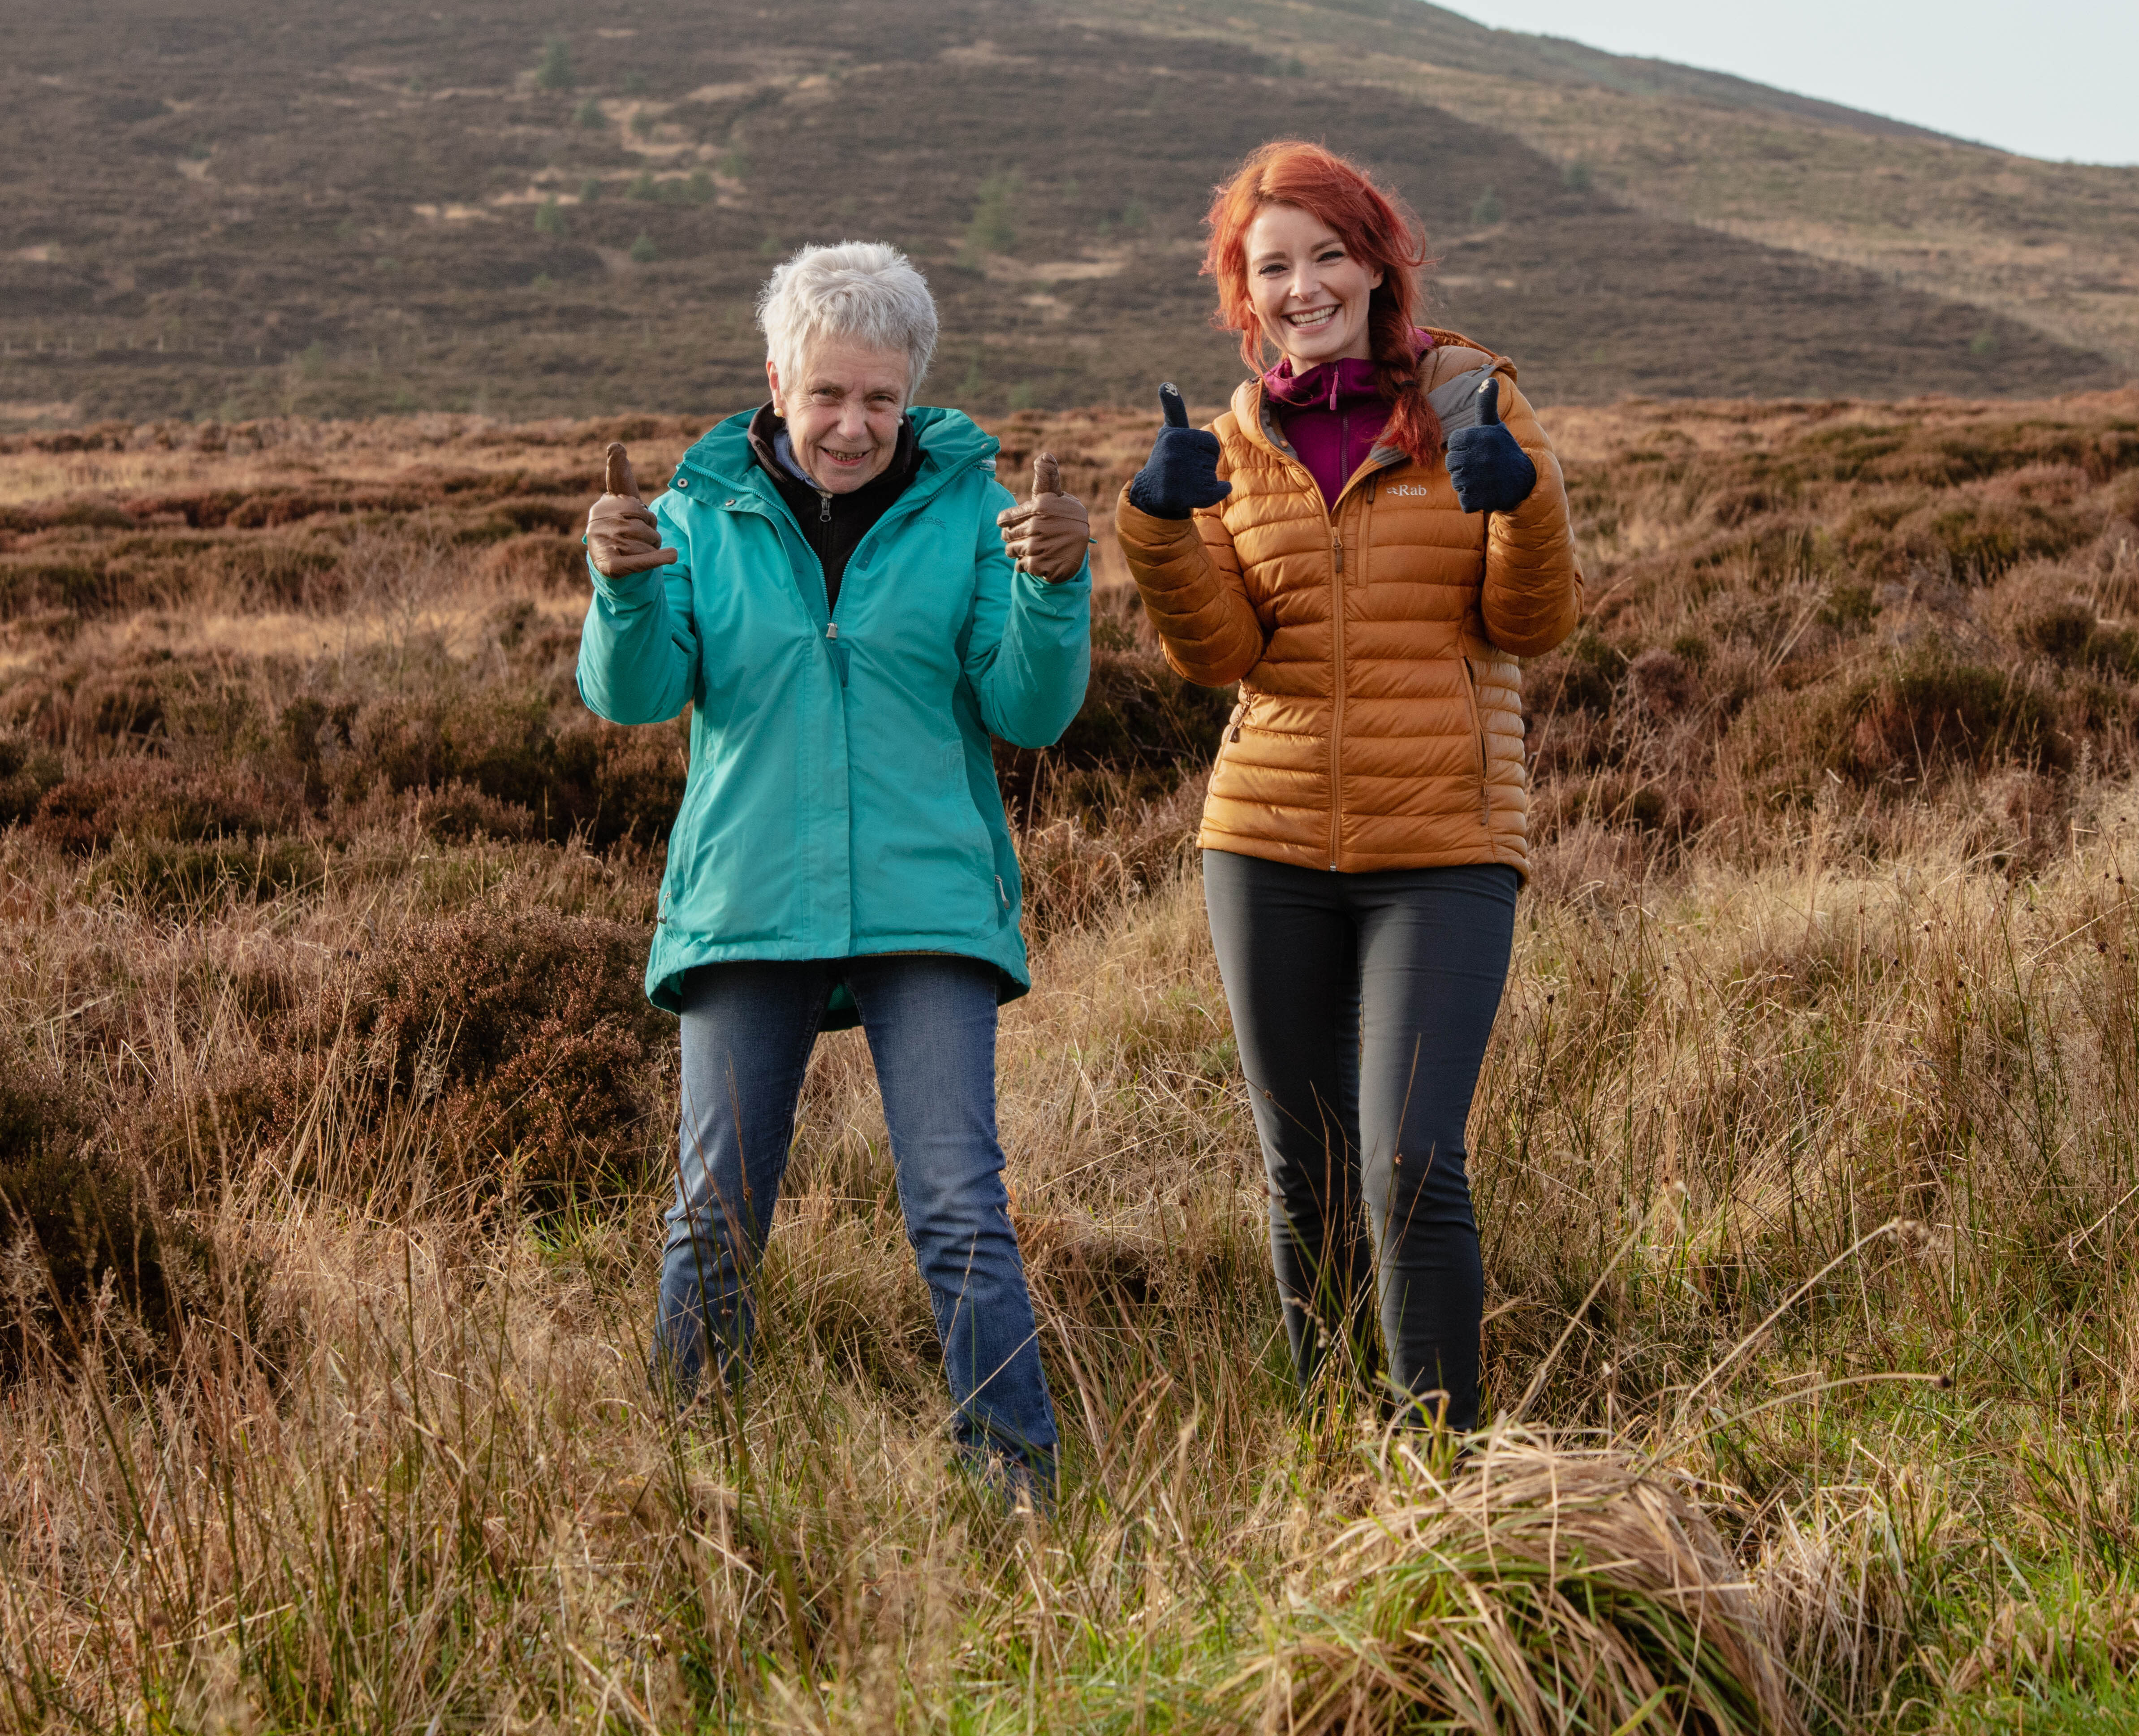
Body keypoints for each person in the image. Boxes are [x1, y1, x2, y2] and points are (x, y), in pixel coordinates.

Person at [579, 240, 1092, 1489]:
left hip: (927, 901)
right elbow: (634, 695)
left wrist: (1057, 588)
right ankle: (689, 1470)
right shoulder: (700, 511)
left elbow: (1028, 712)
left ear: (911, 389)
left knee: (962, 1206)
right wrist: (622, 588)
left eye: (879, 397)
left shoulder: (976, 512)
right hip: (747, 900)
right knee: (714, 1213)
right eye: (827, 395)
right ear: (776, 380)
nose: (853, 425)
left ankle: (1018, 1476)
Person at [1114, 141, 1578, 1429]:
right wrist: (1157, 530)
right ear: (1243, 295)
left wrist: (1521, 504)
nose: (1304, 284)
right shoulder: (1234, 440)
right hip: (1263, 848)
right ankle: (1331, 1452)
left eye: (1327, 253)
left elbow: (1531, 623)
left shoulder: (1477, 399)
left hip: (1443, 842)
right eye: (1274, 266)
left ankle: (1442, 1468)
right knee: (1307, 1171)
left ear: (1378, 264)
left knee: (1413, 1161)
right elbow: (1224, 655)